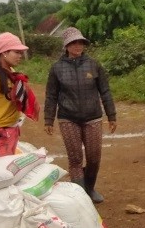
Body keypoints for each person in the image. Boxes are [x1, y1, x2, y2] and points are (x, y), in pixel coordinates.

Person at [43, 26, 117, 203]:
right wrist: (48, 119)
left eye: (80, 43)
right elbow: (51, 95)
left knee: (94, 157)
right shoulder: (57, 68)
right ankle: (81, 197)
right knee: (75, 158)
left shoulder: (94, 65)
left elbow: (105, 92)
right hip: (68, 118)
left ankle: (89, 188)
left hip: (93, 117)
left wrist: (111, 115)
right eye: (73, 43)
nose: (77, 46)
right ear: (66, 46)